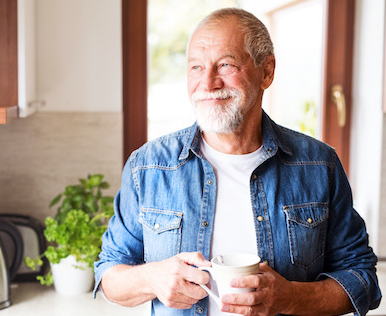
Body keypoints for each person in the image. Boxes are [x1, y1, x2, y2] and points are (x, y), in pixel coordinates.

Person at [94, 7, 382, 316]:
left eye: (226, 65)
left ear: (266, 72)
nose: (208, 83)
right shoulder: (148, 166)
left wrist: (289, 297)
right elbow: (109, 276)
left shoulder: (318, 165)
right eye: (195, 67)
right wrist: (150, 278)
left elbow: (363, 280)